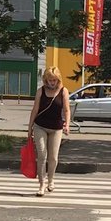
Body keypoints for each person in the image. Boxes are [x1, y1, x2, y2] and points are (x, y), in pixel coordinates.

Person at [27, 67, 71, 197]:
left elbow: (67, 110)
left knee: (53, 157)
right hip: (40, 126)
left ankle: (51, 180)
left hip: (56, 128)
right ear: (45, 80)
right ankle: (41, 185)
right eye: (49, 80)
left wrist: (67, 125)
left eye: (54, 80)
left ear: (58, 79)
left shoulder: (63, 91)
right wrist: (29, 128)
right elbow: (35, 110)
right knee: (42, 155)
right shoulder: (41, 91)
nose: (52, 83)